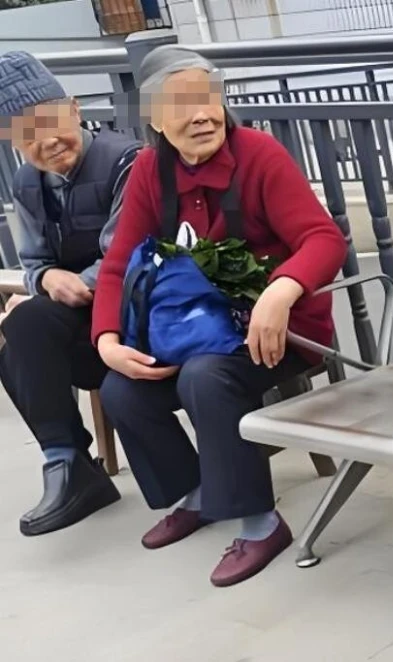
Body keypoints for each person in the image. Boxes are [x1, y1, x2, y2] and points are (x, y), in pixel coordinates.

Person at [91, 46, 347, 587]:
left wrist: (280, 292)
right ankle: (199, 493)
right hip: (193, 327)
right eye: (182, 105)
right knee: (121, 388)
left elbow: (323, 239)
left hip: (277, 332)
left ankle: (260, 523)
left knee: (205, 378)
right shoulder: (150, 169)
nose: (203, 115)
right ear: (155, 118)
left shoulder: (258, 153)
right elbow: (118, 264)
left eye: (209, 99)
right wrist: (108, 339)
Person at [0, 51, 141, 537]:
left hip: (138, 314)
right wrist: (45, 282)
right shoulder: (27, 182)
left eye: (52, 122)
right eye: (27, 134)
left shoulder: (127, 161)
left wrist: (75, 283)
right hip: (84, 323)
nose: (47, 142)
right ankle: (67, 462)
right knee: (17, 331)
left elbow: (129, 253)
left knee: (26, 325)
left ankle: (74, 470)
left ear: (75, 109)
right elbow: (34, 261)